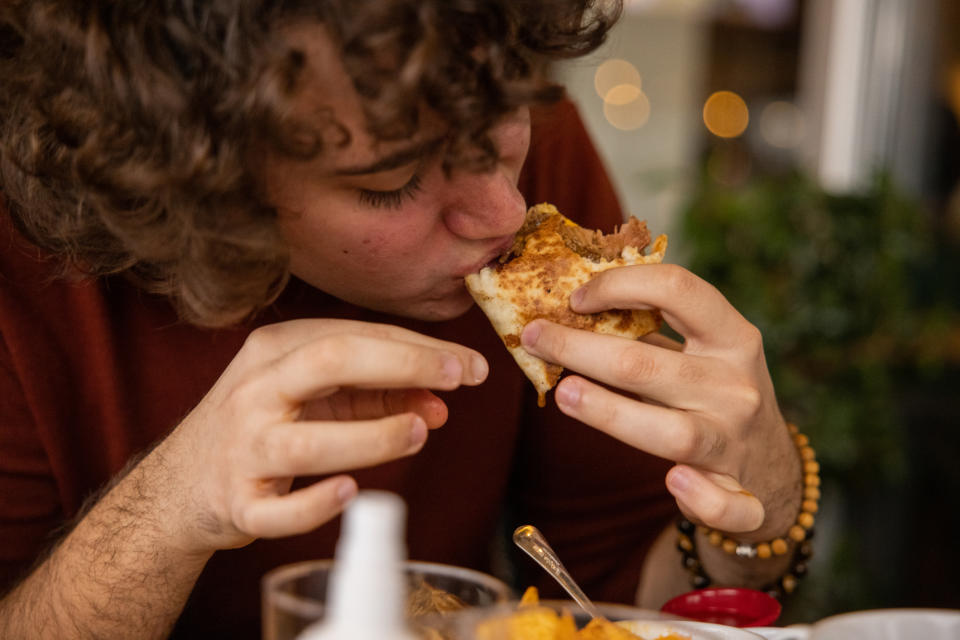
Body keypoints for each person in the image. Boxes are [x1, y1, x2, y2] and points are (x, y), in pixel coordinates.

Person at [0, 1, 807, 638]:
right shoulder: (25, 274)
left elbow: (615, 594)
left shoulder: (534, 168)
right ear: (200, 184)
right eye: (391, 181)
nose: (504, 211)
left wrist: (755, 506)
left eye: (502, 122)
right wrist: (171, 507)